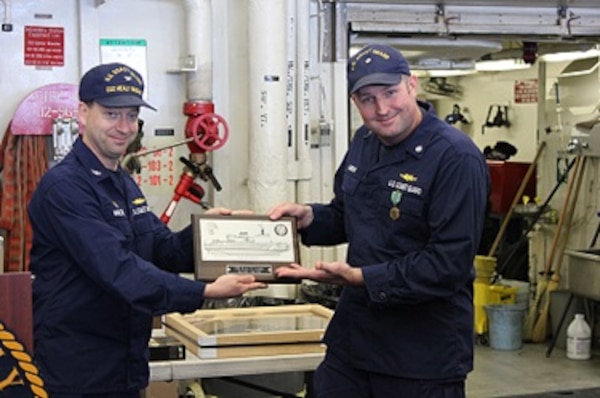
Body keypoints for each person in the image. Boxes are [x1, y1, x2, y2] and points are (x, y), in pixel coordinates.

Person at [28, 62, 267, 397]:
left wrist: (211, 233)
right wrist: (203, 292)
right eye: (112, 114)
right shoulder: (64, 188)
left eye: (132, 115)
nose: (125, 127)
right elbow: (118, 269)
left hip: (125, 366)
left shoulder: (123, 183)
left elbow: (161, 249)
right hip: (77, 373)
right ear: (83, 113)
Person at [268, 44, 490, 398]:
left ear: (411, 85)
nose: (382, 109)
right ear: (355, 102)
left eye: (390, 93)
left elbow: (449, 263)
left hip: (421, 356)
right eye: (367, 98)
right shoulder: (364, 141)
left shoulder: (455, 158)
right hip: (355, 343)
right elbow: (346, 214)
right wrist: (310, 217)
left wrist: (362, 277)